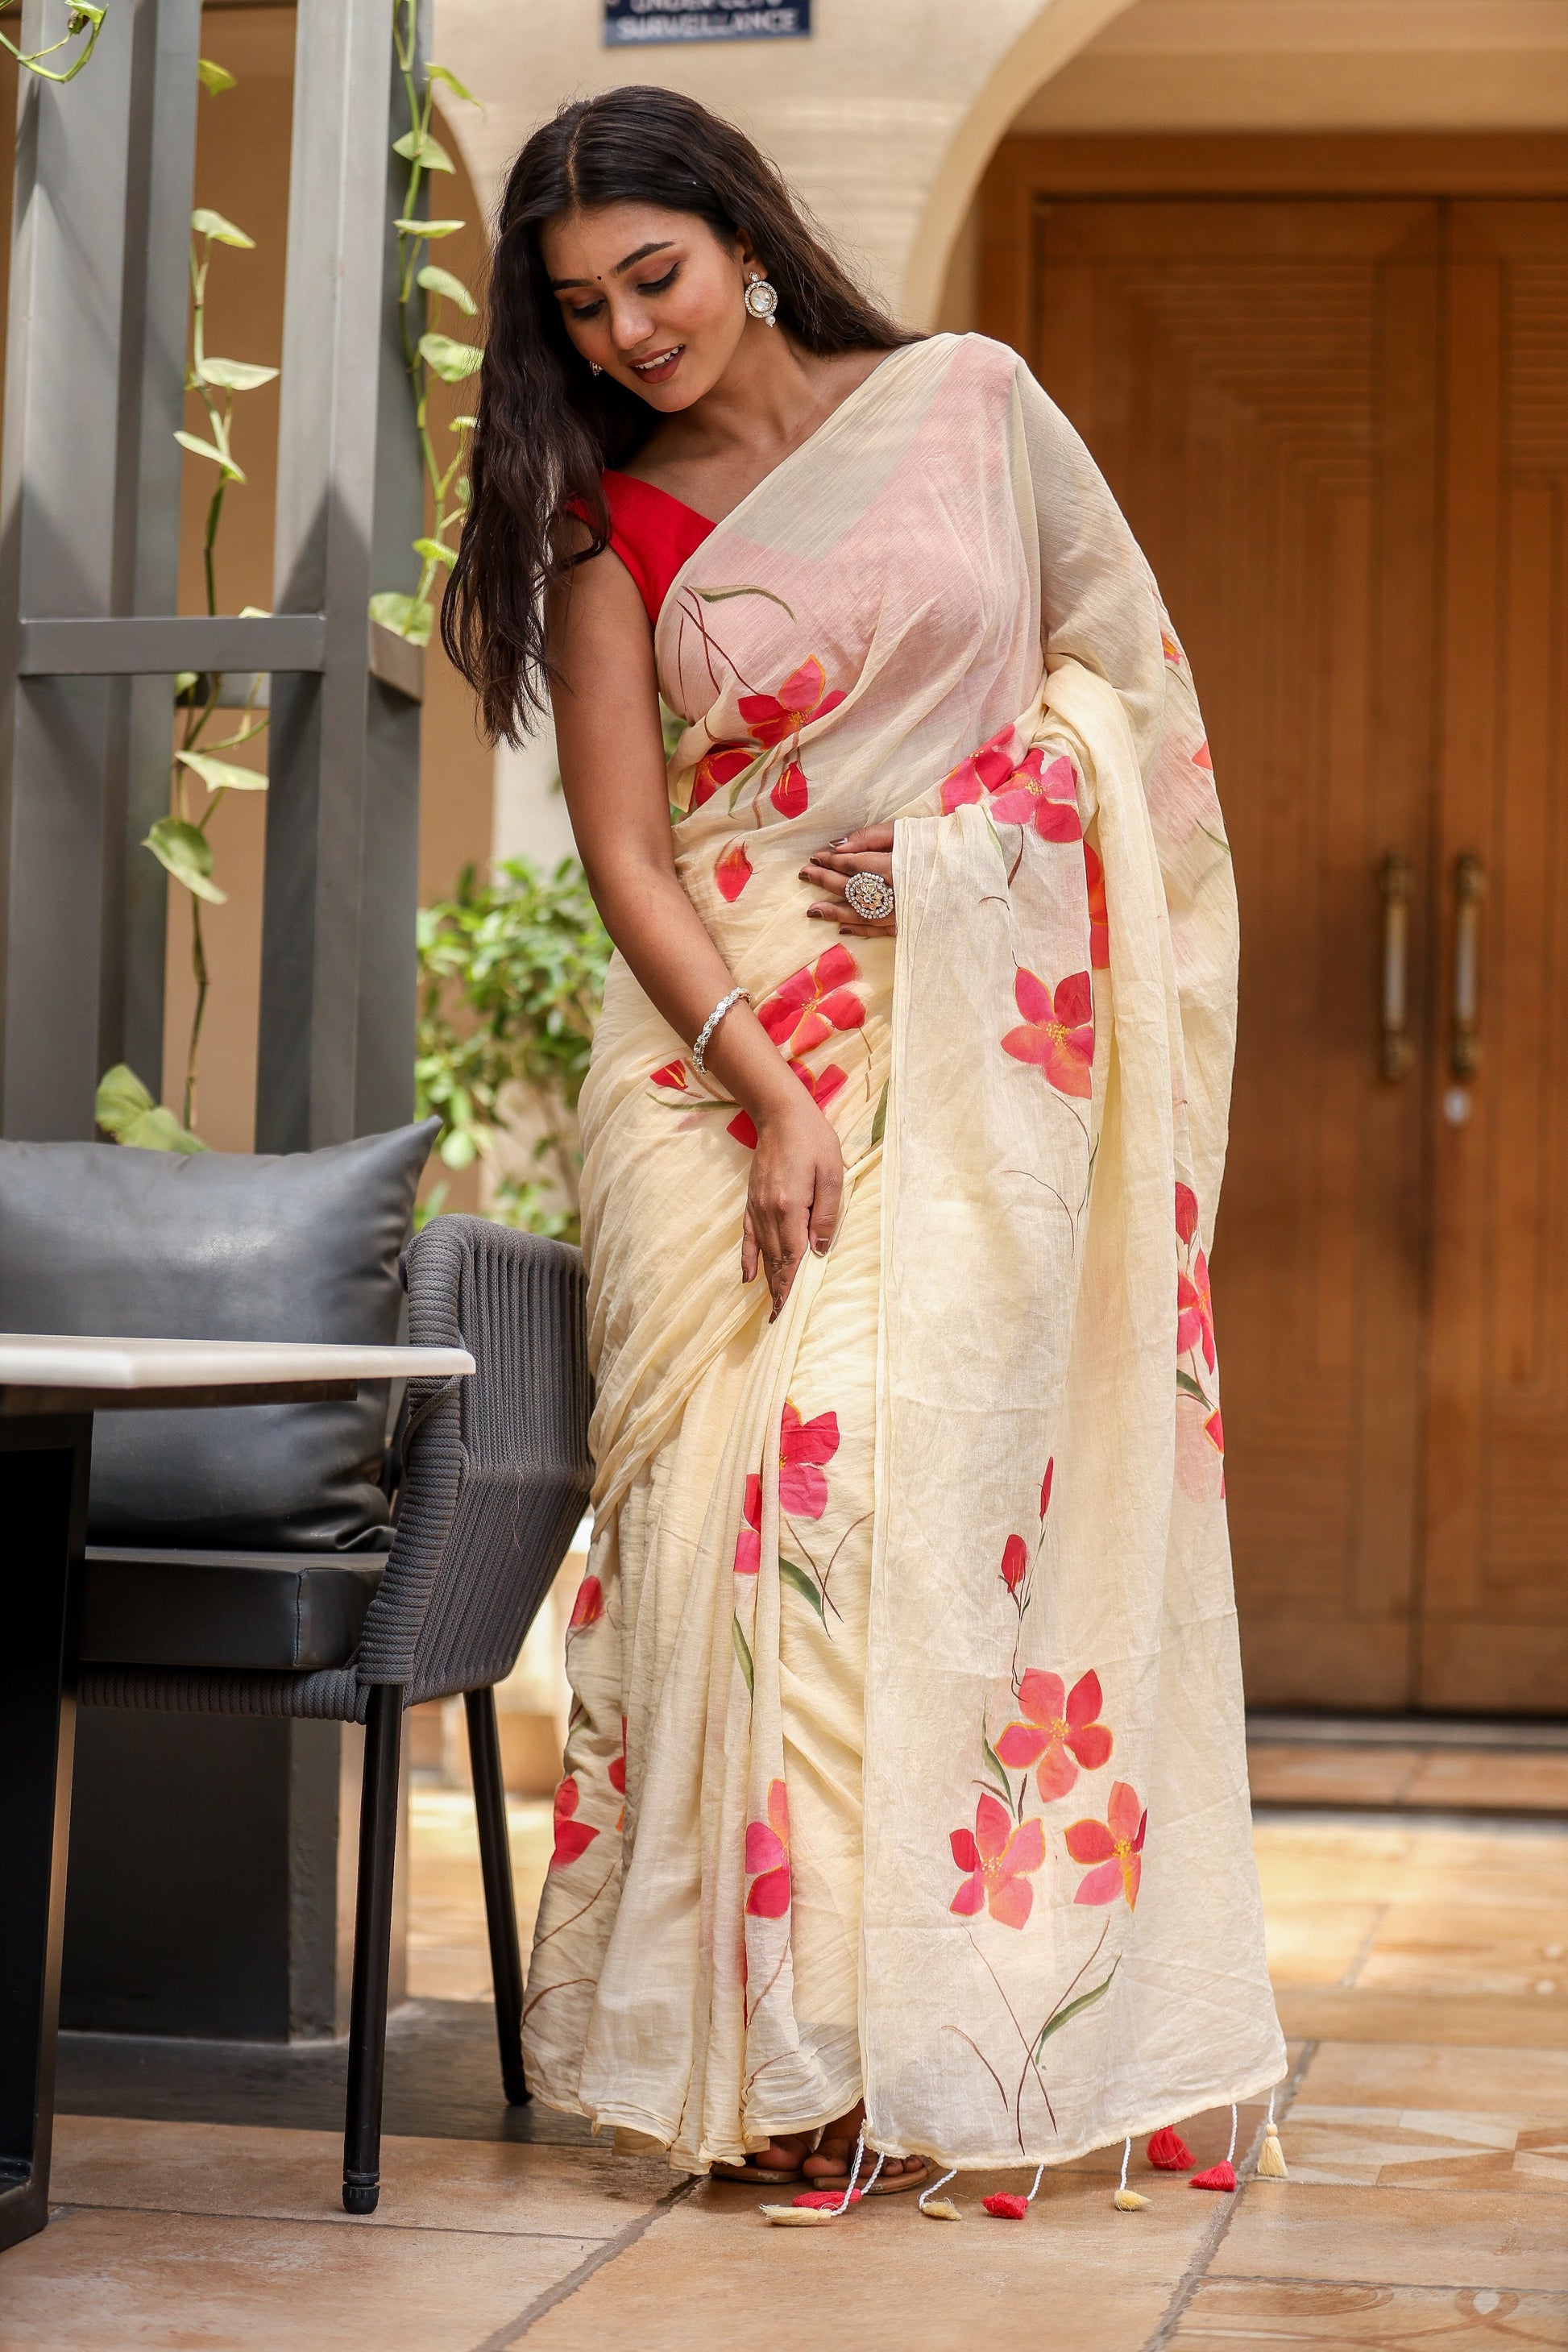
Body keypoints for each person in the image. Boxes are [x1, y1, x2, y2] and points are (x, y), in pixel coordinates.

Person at [444, 85, 1284, 2199]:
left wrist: (947, 860)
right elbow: (629, 852)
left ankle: (935, 2029)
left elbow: (1124, 698)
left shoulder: (971, 409)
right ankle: (789, 2067)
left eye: (655, 274)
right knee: (747, 1531)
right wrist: (766, 1087)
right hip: (720, 1057)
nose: (633, 331)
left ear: (736, 233)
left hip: (983, 1032)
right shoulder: (606, 515)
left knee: (906, 1520)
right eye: (583, 307)